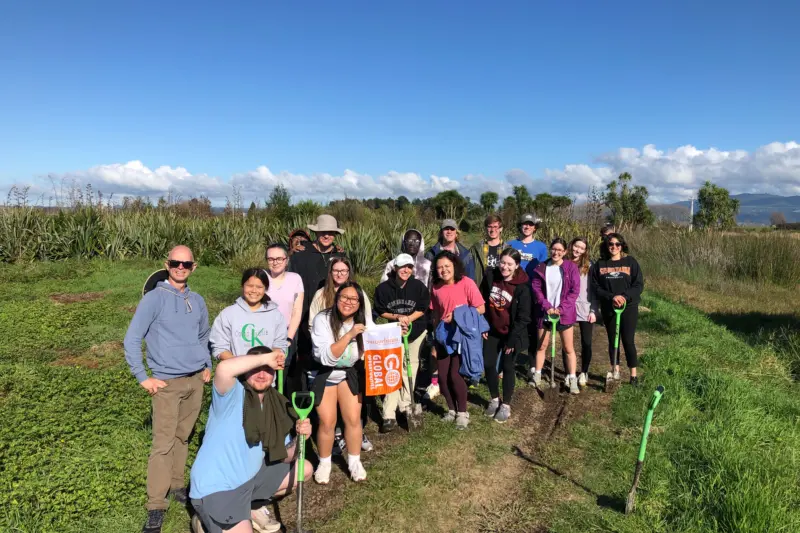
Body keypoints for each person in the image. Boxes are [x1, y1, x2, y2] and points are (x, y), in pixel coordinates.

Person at [123, 245, 212, 533]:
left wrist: (206, 363)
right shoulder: (154, 299)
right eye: (176, 263)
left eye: (186, 264)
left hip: (195, 380)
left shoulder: (197, 300)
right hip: (167, 382)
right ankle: (156, 506)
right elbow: (132, 339)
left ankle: (176, 485)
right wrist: (143, 376)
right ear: (167, 264)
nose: (180, 268)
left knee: (182, 437)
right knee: (162, 445)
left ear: (193, 267)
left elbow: (202, 335)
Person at [189, 346, 313, 533]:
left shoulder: (277, 404)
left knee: (306, 469)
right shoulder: (231, 393)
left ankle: (250, 507)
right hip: (217, 487)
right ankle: (204, 519)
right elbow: (224, 368)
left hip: (250, 479)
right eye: (256, 369)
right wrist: (268, 358)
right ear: (245, 370)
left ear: (274, 373)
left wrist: (301, 439)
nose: (262, 375)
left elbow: (285, 457)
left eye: (267, 370)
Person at [311, 282, 373, 484]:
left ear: (360, 303)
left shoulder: (363, 321)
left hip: (349, 373)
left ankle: (354, 462)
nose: (348, 302)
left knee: (353, 419)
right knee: (327, 422)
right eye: (344, 297)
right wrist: (350, 335)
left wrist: (399, 329)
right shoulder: (323, 319)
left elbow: (378, 341)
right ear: (336, 299)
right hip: (325, 374)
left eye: (354, 299)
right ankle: (325, 463)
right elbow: (327, 357)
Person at [373, 253, 430, 433]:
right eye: (402, 266)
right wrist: (398, 318)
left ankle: (406, 406)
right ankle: (388, 414)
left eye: (409, 267)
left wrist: (408, 319)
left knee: (409, 367)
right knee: (393, 369)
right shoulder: (383, 289)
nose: (406, 270)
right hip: (394, 333)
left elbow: (422, 308)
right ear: (395, 268)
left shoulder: (418, 286)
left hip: (416, 331)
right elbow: (381, 310)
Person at [288, 214, 347, 389]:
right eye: (323, 232)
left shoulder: (340, 255)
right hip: (305, 313)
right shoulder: (300, 255)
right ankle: (303, 398)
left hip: (334, 315)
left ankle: (328, 393)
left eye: (330, 232)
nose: (326, 236)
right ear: (316, 233)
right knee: (304, 356)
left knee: (329, 354)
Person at [429, 251, 485, 430]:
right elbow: (436, 314)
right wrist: (435, 341)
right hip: (444, 335)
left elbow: (481, 308)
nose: (444, 270)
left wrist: (457, 316)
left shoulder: (466, 282)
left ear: (454, 266)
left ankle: (463, 412)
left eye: (447, 266)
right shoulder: (436, 288)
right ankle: (451, 410)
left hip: (462, 334)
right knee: (443, 378)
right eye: (439, 267)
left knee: (455, 374)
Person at [482, 248, 531, 423]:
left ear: (517, 265)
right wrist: (483, 325)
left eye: (510, 264)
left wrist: (511, 340)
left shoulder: (522, 287)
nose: (505, 267)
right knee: (488, 364)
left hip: (512, 334)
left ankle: (506, 405)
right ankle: (495, 399)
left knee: (508, 366)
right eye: (503, 262)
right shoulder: (490, 277)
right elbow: (481, 302)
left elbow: (524, 317)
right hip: (492, 331)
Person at [590, 233, 644, 386]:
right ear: (606, 246)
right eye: (610, 244)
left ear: (622, 246)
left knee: (628, 340)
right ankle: (616, 372)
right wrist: (611, 296)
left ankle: (633, 376)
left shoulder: (630, 262)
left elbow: (638, 285)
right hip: (609, 307)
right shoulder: (600, 265)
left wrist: (624, 297)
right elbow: (595, 287)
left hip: (629, 307)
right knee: (613, 340)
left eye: (617, 244)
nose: (614, 247)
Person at [530, 238, 581, 394]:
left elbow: (574, 291)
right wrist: (547, 306)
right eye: (554, 249)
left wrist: (561, 308)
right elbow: (536, 288)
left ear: (565, 252)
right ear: (550, 250)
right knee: (542, 346)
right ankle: (537, 375)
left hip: (564, 315)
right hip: (545, 314)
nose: (556, 252)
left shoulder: (571, 267)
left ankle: (571, 378)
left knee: (568, 348)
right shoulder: (542, 267)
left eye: (560, 250)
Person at [209, 268, 289, 362]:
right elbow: (219, 347)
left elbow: (279, 344)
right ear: (242, 286)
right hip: (236, 373)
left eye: (259, 287)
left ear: (265, 289)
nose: (254, 290)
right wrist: (242, 365)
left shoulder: (276, 315)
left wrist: (265, 363)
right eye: (250, 286)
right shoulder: (228, 314)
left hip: (265, 373)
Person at [265, 244, 305, 394]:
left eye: (279, 258)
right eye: (271, 259)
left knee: (284, 372)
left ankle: (280, 406)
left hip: (286, 333)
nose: (275, 262)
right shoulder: (261, 277)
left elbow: (297, 310)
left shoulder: (295, 279)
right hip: (264, 333)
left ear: (286, 260)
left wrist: (289, 338)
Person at [566, 237, 599, 387]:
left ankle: (584, 371)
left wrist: (593, 310)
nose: (577, 250)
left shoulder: (590, 266)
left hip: (585, 308)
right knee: (567, 344)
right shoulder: (563, 263)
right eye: (576, 246)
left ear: (585, 251)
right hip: (567, 308)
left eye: (581, 248)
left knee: (586, 342)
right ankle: (569, 373)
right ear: (571, 245)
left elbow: (594, 290)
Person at [469, 214, 506, 297]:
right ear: (485, 228)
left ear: (501, 229)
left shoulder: (507, 249)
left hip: (500, 290)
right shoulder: (476, 248)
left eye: (495, 226)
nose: (492, 230)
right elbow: (468, 270)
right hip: (480, 290)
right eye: (490, 226)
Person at [507, 213, 548, 278]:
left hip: (531, 285)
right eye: (525, 224)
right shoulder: (510, 244)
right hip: (513, 284)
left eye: (531, 224)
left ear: (535, 228)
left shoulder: (541, 247)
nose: (527, 227)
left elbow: (543, 270)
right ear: (520, 226)